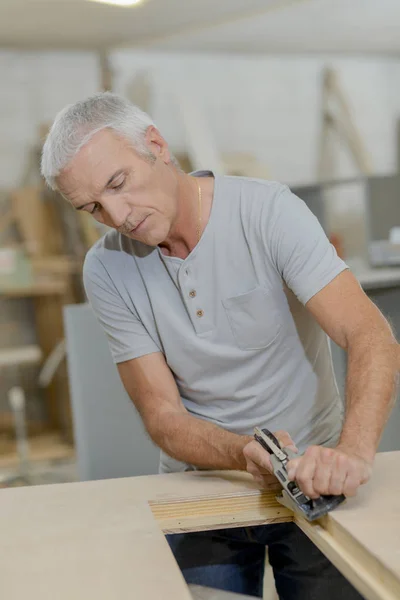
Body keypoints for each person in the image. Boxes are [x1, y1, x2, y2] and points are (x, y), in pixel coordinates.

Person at [41, 92, 398, 599]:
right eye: (92, 206)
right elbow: (162, 416)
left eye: (118, 184)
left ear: (157, 146)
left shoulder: (269, 212)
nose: (117, 214)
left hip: (313, 474)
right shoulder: (106, 268)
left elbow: (370, 336)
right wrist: (240, 451)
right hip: (201, 483)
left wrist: (354, 454)